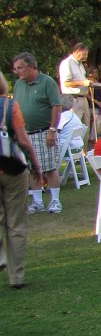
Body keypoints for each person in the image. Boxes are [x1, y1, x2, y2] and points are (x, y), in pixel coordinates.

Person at [0, 70, 42, 289]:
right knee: (16, 224)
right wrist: (36, 166)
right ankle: (16, 277)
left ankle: (1, 257)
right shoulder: (10, 106)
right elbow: (24, 141)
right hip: (13, 168)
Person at [11, 53, 63, 214]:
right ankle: (37, 202)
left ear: (31, 66)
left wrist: (52, 130)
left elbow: (56, 106)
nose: (17, 71)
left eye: (20, 68)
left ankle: (55, 201)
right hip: (25, 134)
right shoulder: (18, 84)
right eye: (15, 69)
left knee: (49, 167)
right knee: (31, 169)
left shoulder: (47, 82)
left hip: (44, 132)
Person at [58, 43, 93, 139]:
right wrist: (83, 83)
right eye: (84, 54)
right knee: (75, 129)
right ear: (77, 52)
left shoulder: (81, 64)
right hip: (73, 99)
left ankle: (85, 149)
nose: (86, 56)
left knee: (86, 129)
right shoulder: (67, 63)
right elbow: (66, 83)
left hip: (83, 99)